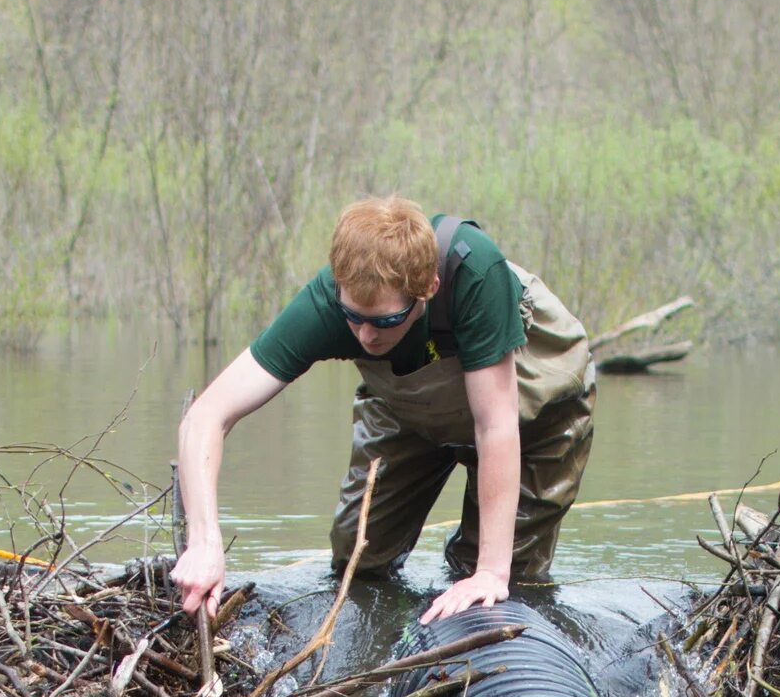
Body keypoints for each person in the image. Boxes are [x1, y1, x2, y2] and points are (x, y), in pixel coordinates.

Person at [172, 197, 594, 623]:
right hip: (408, 407)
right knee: (359, 558)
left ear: (428, 288)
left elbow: (496, 426)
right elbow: (206, 416)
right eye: (353, 317)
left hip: (533, 413)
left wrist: (488, 573)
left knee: (500, 583)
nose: (367, 336)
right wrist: (204, 541)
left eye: (386, 321)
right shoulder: (328, 302)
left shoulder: (476, 273)